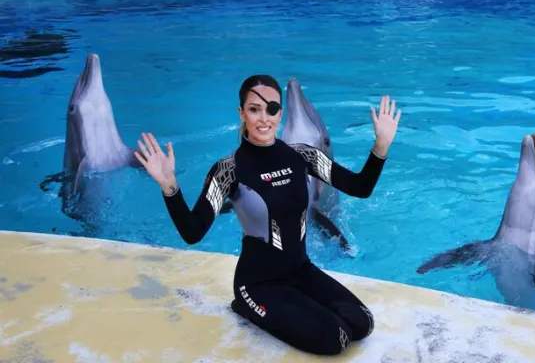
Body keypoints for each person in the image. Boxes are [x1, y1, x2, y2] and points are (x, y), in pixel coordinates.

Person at [134, 74, 401, 356]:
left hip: (300, 271)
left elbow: (359, 187)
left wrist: (381, 146)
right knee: (335, 339)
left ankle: (291, 304)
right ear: (242, 113)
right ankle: (246, 306)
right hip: (258, 283)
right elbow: (193, 232)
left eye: (271, 109)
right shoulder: (228, 170)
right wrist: (170, 187)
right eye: (254, 109)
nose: (264, 118)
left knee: (362, 323)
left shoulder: (304, 156)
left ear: (280, 113)